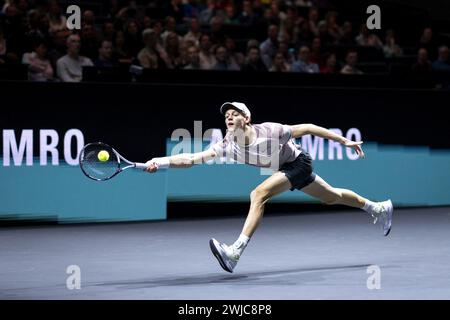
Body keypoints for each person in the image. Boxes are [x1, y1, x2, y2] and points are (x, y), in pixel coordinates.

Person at [143, 102, 394, 273]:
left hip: (299, 163)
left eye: (235, 114)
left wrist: (344, 141)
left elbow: (307, 128)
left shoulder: (271, 131)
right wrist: (160, 161)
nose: (229, 117)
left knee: (258, 194)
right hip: (285, 169)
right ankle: (379, 208)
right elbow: (191, 159)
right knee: (332, 196)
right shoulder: (228, 145)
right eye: (226, 115)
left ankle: (234, 253)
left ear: (247, 118)